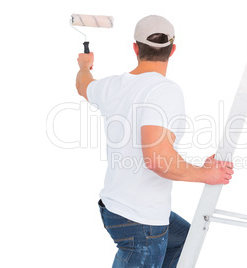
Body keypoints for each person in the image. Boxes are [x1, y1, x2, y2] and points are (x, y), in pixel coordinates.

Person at [76, 15, 234, 267]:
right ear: (172, 50)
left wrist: (84, 66)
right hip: (141, 222)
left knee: (184, 240)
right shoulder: (164, 91)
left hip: (114, 207)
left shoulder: (112, 86)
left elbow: (83, 85)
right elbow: (157, 160)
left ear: (136, 48)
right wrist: (206, 174)